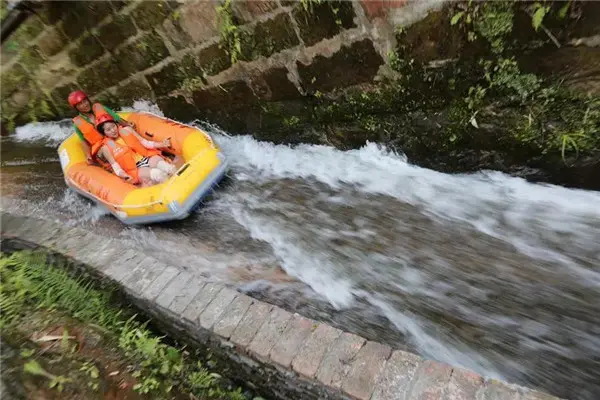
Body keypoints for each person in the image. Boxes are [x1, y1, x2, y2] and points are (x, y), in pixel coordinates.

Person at [94, 113, 176, 186]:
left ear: (116, 124)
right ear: (104, 133)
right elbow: (116, 167)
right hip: (136, 169)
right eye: (108, 130)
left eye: (113, 126)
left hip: (147, 157)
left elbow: (145, 143)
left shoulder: (127, 130)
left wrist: (162, 144)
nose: (113, 130)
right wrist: (124, 175)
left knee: (168, 168)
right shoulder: (106, 148)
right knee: (158, 174)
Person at [67, 90, 134, 164]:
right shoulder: (78, 123)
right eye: (80, 104)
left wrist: (127, 124)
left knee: (126, 131)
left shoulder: (100, 108)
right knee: (108, 148)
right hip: (102, 147)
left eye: (85, 101)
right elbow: (84, 141)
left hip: (113, 136)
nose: (85, 105)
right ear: (76, 108)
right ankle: (119, 166)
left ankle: (134, 154)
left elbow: (117, 119)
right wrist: (88, 155)